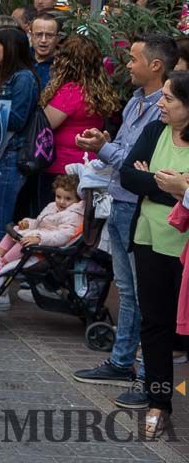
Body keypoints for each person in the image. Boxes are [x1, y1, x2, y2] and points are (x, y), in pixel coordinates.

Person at [73, 35, 176, 387]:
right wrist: (103, 145)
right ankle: (121, 361)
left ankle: (148, 374)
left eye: (134, 59)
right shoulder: (134, 101)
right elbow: (126, 156)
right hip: (118, 199)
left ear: (156, 65)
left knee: (147, 295)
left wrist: (108, 151)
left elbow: (135, 166)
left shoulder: (164, 111)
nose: (127, 65)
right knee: (128, 290)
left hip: (141, 210)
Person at [117, 72, 189, 434]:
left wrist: (162, 183)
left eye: (169, 99)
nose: (160, 104)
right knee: (155, 322)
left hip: (184, 249)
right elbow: (129, 176)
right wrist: (174, 186)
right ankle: (159, 400)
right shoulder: (155, 131)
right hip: (148, 238)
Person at [36, 34, 120, 211]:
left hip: (63, 167)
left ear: (68, 61)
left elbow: (46, 123)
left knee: (55, 219)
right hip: (87, 163)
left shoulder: (72, 91)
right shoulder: (95, 89)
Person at [0, 27, 40, 251]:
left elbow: (17, 120)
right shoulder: (0, 73)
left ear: (10, 48)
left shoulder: (24, 78)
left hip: (11, 156)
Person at [0, 174, 84, 274]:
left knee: (24, 240)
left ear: (78, 200)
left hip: (49, 245)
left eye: (68, 199)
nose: (61, 202)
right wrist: (28, 224)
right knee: (15, 229)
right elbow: (39, 222)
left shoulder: (74, 216)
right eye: (58, 197)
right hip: (40, 234)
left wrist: (40, 239)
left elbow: (63, 236)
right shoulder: (52, 206)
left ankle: (2, 262)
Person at [29, 13, 60, 88]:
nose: (43, 40)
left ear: (58, 38)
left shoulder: (64, 64)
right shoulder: (21, 58)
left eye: (49, 35)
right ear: (31, 36)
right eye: (38, 35)